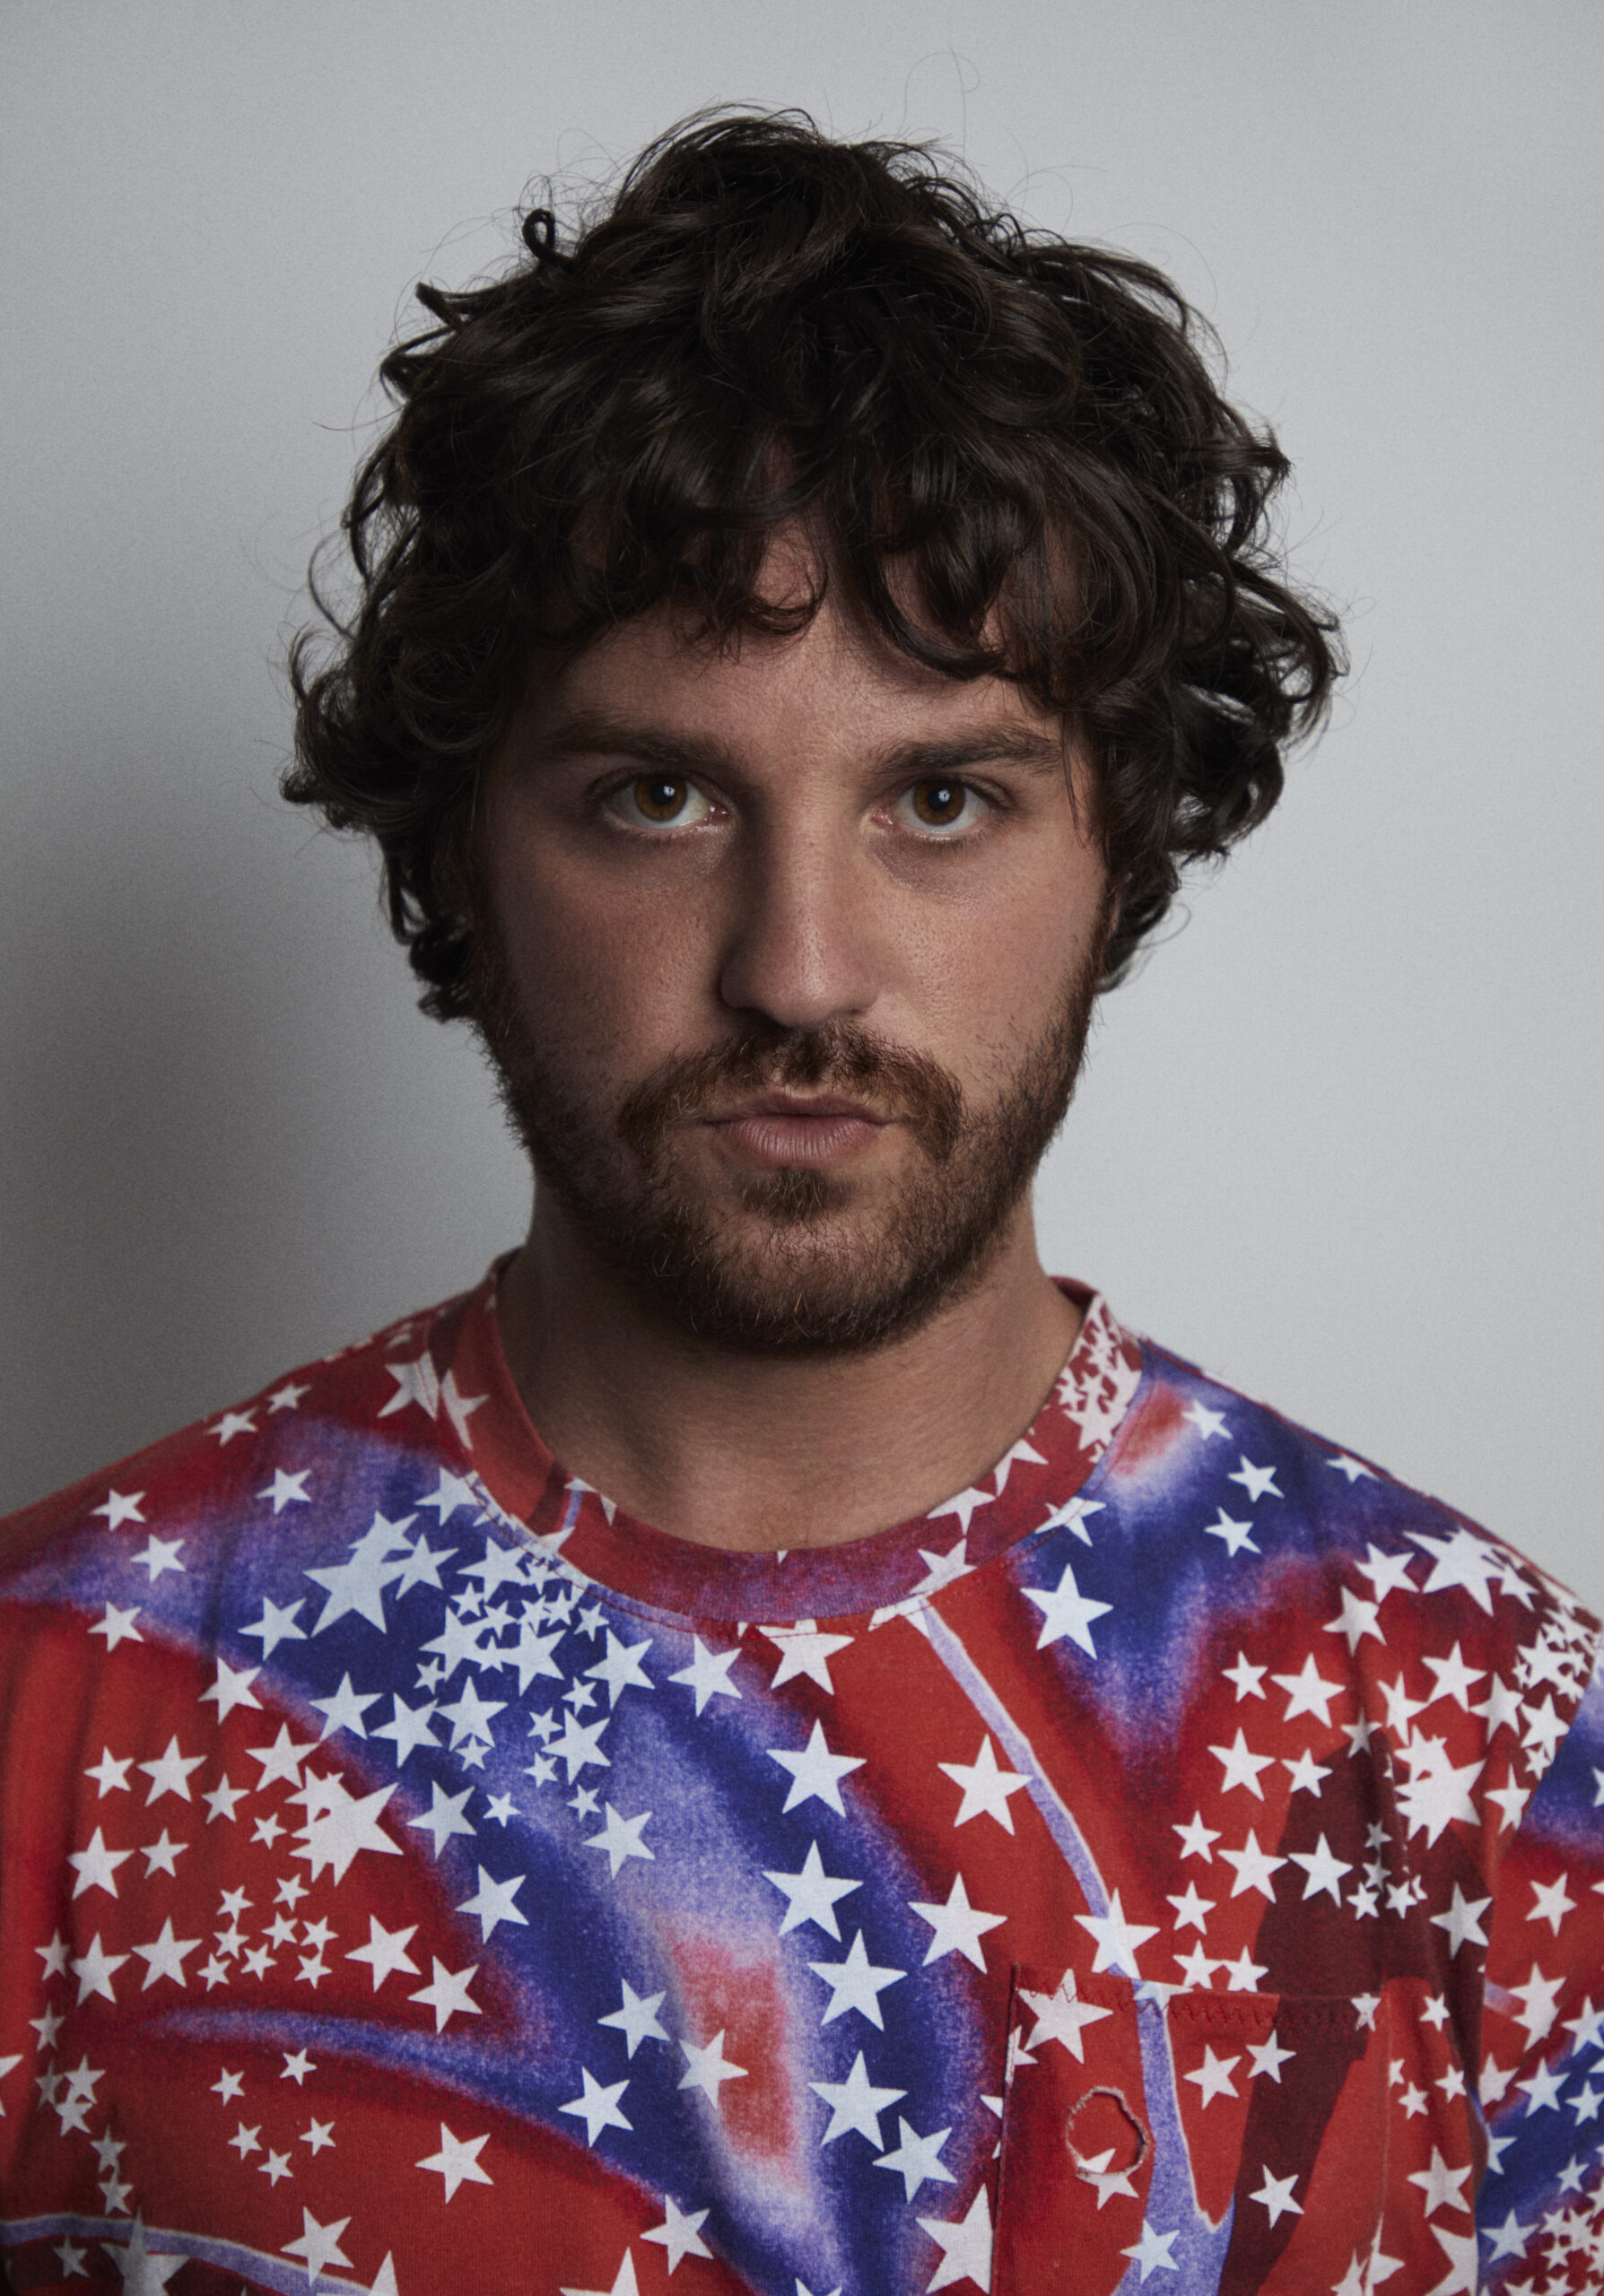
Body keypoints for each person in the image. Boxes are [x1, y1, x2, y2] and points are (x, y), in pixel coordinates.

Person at [1, 109, 1599, 2296]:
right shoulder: (64, 1700)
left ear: (1118, 845)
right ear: (465, 841)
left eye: (942, 798)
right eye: (658, 794)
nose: (800, 970)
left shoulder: (1485, 1745)